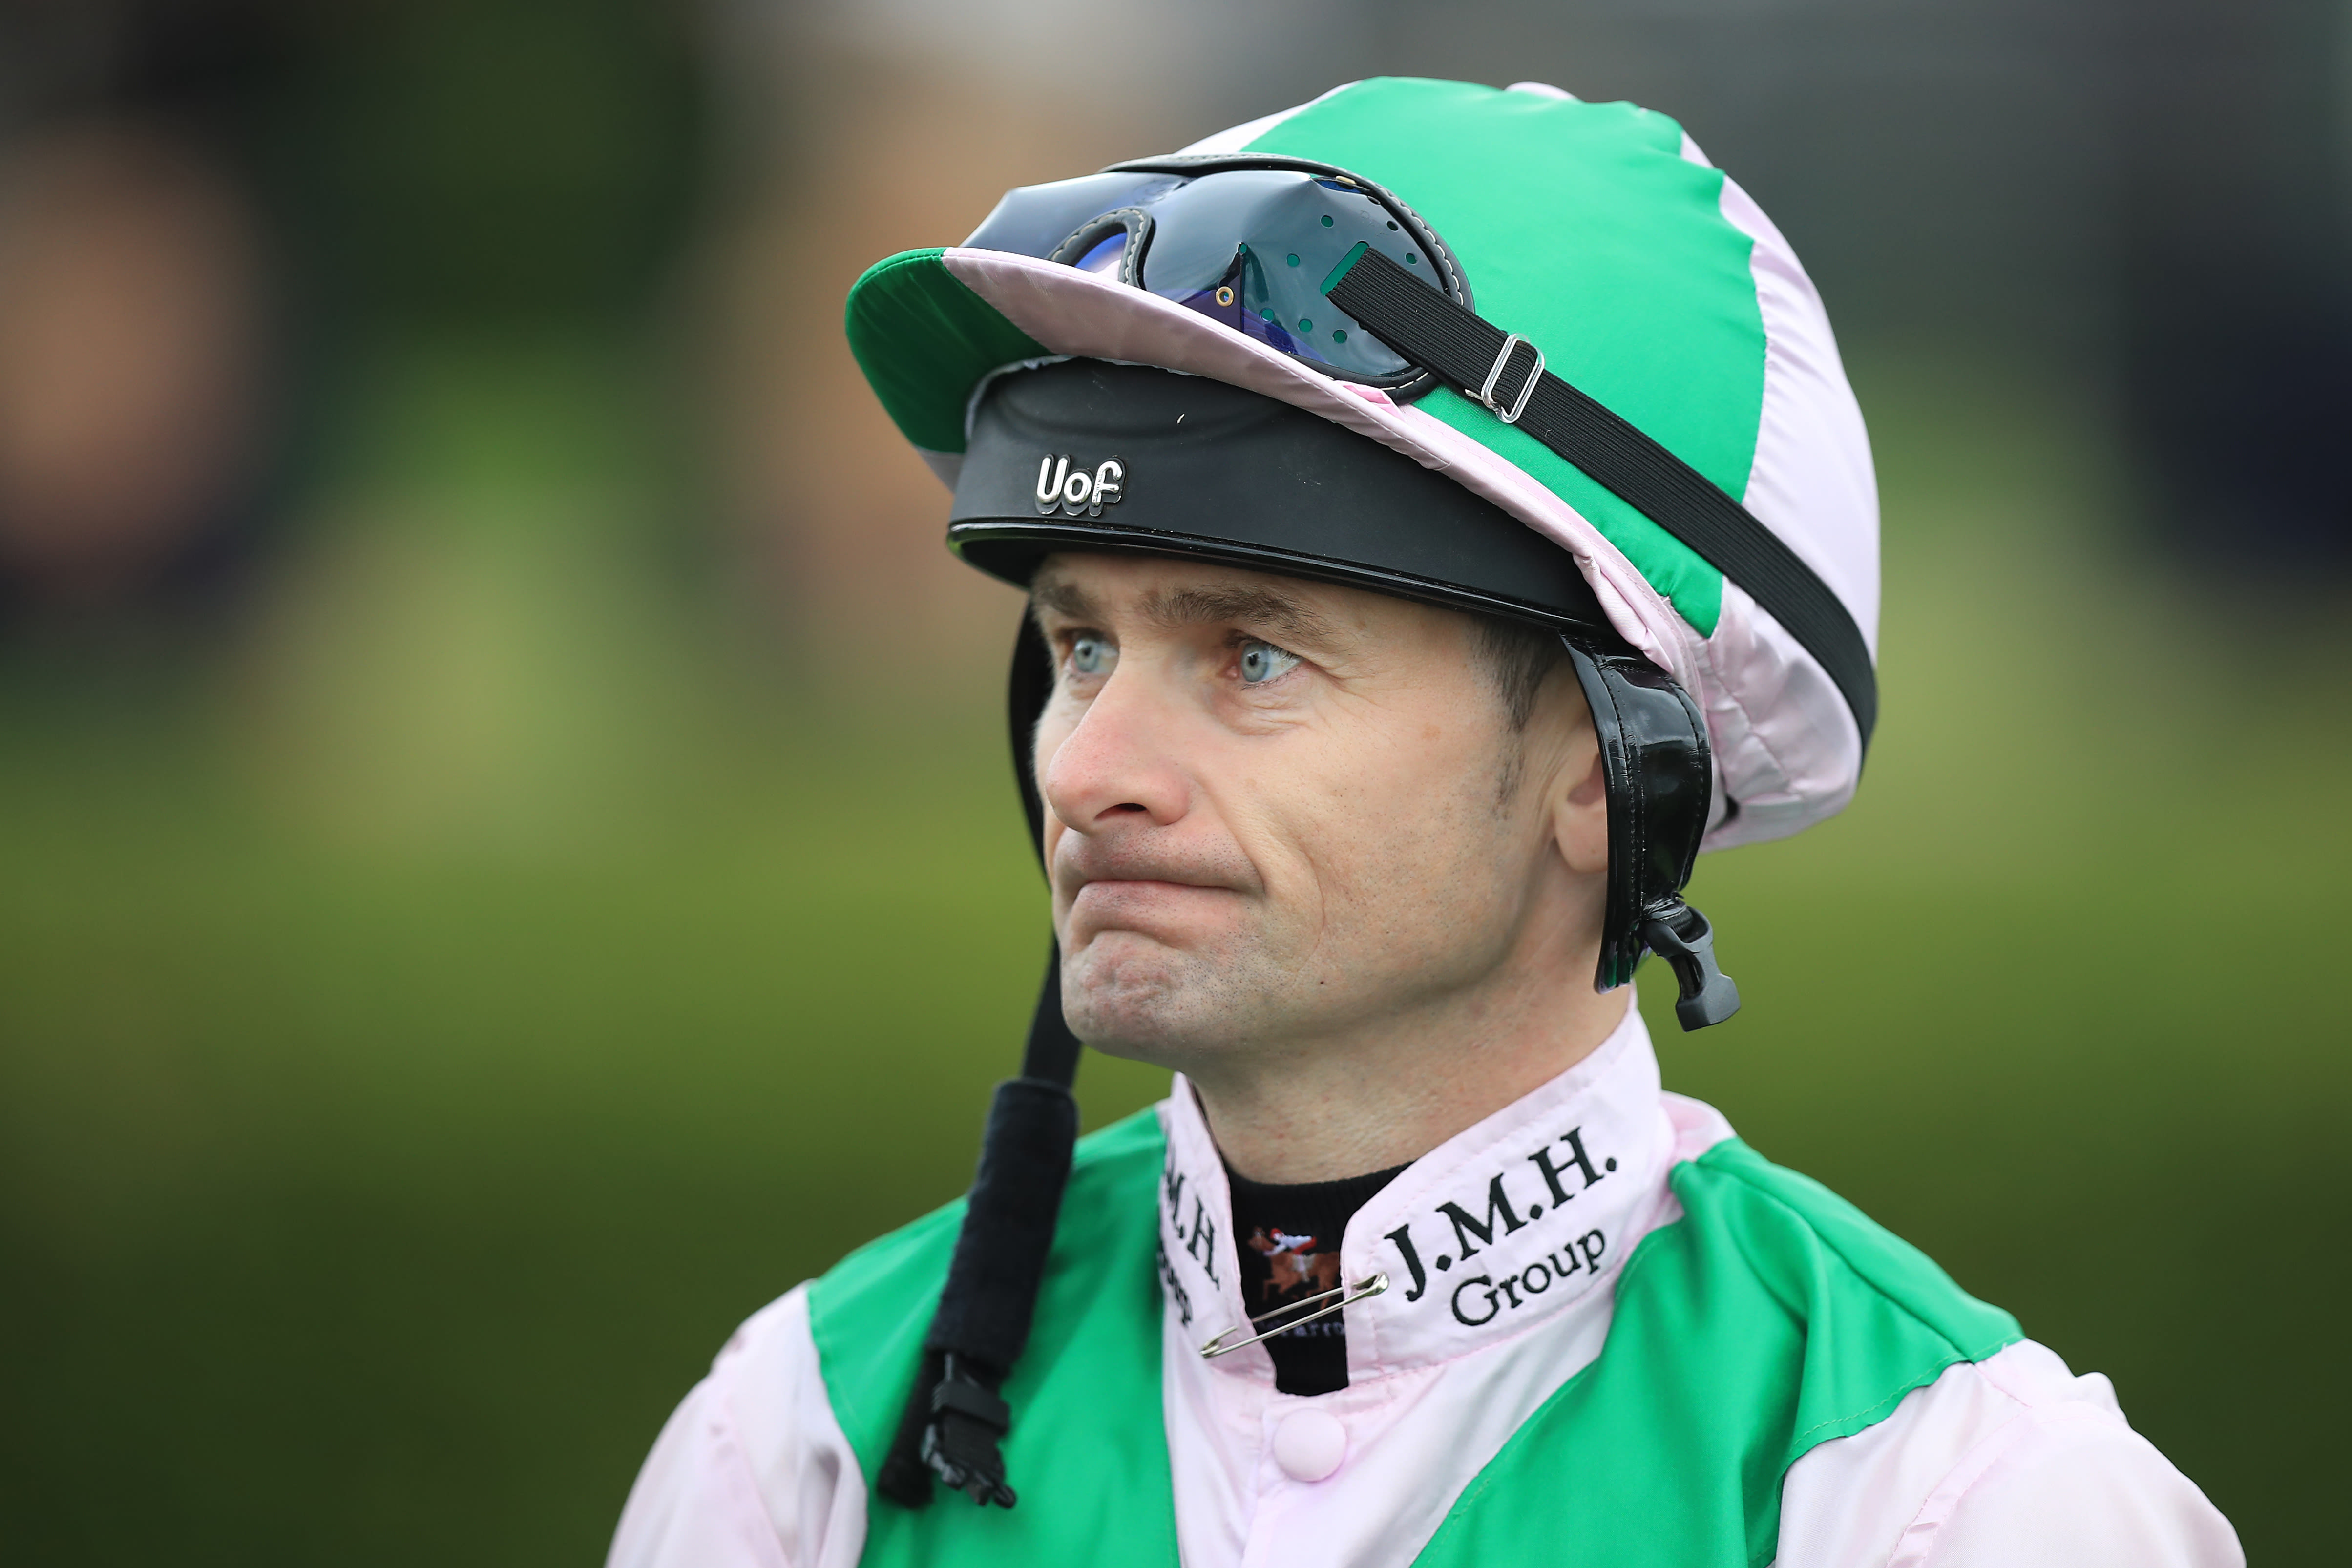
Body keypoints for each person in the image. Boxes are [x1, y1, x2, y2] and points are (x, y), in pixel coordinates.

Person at [608, 77, 2242, 1568]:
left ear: (1608, 770)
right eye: (1081, 644)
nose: (1090, 767)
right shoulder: (802, 1445)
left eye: (1251, 655)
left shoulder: (1951, 1505)